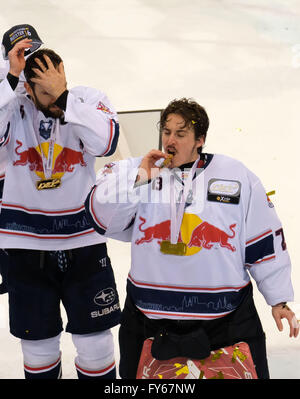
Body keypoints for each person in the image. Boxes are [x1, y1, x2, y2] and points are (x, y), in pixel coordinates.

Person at [85, 97, 299, 379]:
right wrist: (139, 178)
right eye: (166, 131)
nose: (170, 140)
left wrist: (278, 299)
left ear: (200, 139)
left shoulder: (235, 175)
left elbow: (263, 239)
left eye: (180, 133)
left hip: (225, 325)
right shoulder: (137, 170)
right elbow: (101, 218)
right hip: (150, 323)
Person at [0, 38, 121, 379]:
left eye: (58, 88)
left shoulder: (87, 100)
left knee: (96, 344)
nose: (52, 101)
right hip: (25, 246)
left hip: (83, 241)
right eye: (46, 94)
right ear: (28, 87)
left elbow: (105, 143)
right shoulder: (13, 104)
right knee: (37, 346)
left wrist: (65, 99)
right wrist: (10, 79)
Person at [0, 25, 43, 295]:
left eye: (31, 48)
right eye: (21, 51)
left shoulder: (29, 77)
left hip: (20, 178)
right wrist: (13, 76)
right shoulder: (10, 76)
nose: (26, 56)